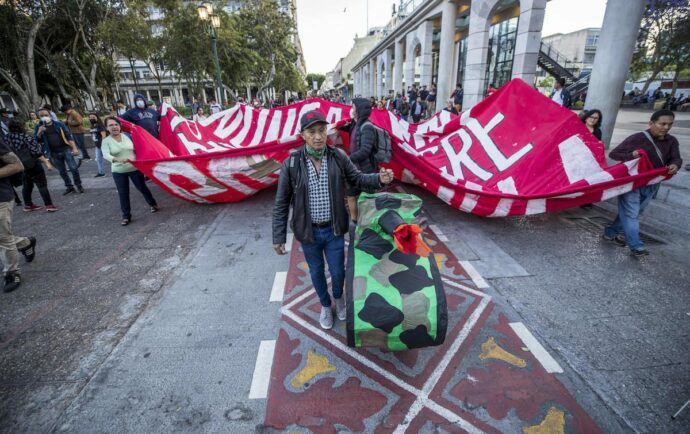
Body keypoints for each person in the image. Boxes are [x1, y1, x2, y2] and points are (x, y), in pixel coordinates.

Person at [272, 110, 394, 329]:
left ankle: (339, 297)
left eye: (322, 131)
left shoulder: (338, 156)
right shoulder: (291, 163)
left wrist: (379, 178)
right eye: (312, 132)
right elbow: (281, 202)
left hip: (334, 229)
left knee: (338, 271)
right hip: (308, 233)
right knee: (317, 271)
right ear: (303, 135)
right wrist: (278, 236)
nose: (318, 136)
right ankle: (326, 306)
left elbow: (358, 178)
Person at [603, 110, 682, 256]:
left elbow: (676, 158)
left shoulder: (672, 141)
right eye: (662, 124)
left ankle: (610, 232)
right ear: (651, 123)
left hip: (653, 184)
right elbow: (614, 154)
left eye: (669, 124)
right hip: (632, 182)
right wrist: (631, 155)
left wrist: (675, 165)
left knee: (633, 212)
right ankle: (636, 246)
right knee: (632, 214)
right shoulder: (637, 138)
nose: (666, 127)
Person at [101, 117, 159, 226]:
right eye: (111, 125)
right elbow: (105, 154)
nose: (114, 127)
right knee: (123, 193)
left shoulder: (128, 136)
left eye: (116, 124)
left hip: (134, 168)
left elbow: (139, 148)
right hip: (118, 171)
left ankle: (153, 204)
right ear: (107, 128)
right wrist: (115, 159)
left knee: (142, 187)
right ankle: (126, 216)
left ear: (120, 126)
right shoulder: (106, 141)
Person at [0, 135, 37, 292]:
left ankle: (11, 272)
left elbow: (17, 165)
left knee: (2, 236)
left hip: (0, 196)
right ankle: (24, 243)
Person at [6, 119, 56, 212]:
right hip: (32, 163)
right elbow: (36, 152)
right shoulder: (25, 137)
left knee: (27, 185)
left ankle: (28, 204)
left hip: (19, 165)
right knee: (42, 185)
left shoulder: (6, 138)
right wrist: (47, 162)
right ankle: (49, 205)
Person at [34, 107, 83, 195]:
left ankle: (79, 185)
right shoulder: (38, 127)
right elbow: (36, 141)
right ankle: (69, 187)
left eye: (46, 115)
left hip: (65, 149)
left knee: (73, 168)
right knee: (62, 171)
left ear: (50, 115)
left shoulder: (58, 124)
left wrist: (74, 148)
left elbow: (68, 136)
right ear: (39, 117)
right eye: (41, 116)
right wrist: (39, 132)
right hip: (53, 153)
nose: (44, 117)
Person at [346, 98, 379, 223]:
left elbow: (365, 151)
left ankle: (368, 223)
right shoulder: (356, 123)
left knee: (368, 198)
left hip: (366, 169)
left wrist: (348, 159)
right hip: (353, 168)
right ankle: (354, 222)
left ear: (359, 110)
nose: (351, 109)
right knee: (351, 195)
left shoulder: (367, 127)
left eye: (353, 107)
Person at [88, 112, 106, 177]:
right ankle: (101, 172)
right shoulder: (92, 126)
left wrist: (104, 145)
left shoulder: (100, 125)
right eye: (90, 117)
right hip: (97, 145)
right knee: (98, 159)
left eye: (93, 117)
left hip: (102, 145)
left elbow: (103, 136)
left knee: (109, 158)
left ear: (97, 118)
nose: (91, 118)